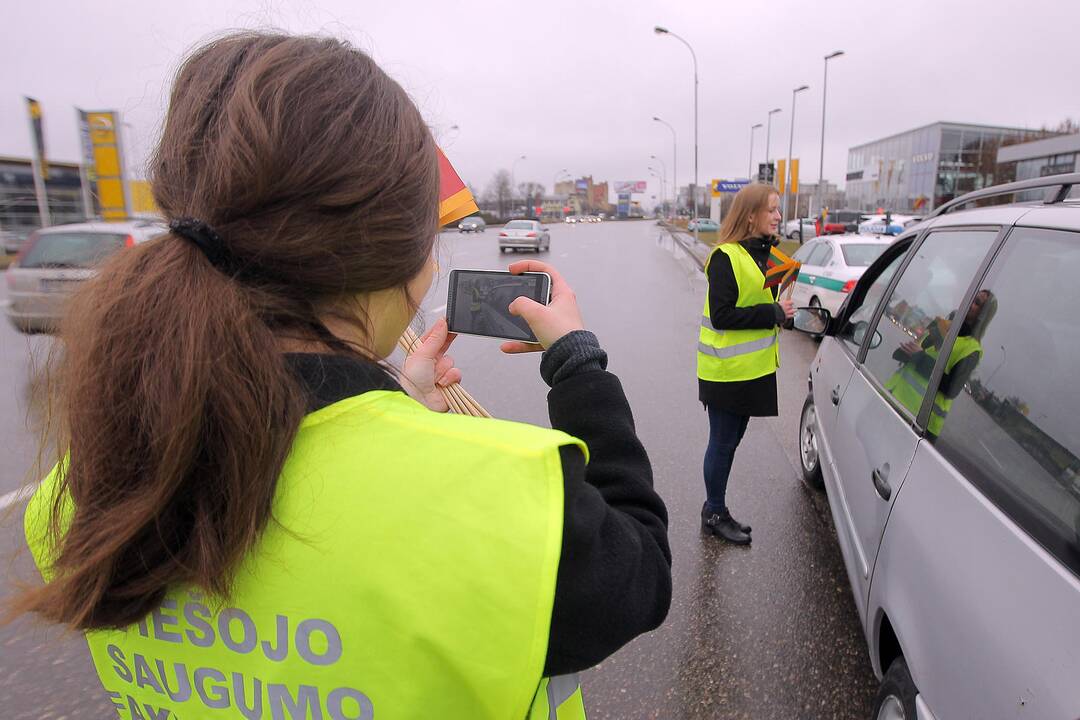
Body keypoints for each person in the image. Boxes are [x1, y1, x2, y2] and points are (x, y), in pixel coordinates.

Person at [7, 33, 671, 719]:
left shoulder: (82, 494)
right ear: (401, 261)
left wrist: (397, 404)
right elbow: (640, 574)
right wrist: (579, 365)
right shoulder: (499, 500)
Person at [697, 183, 794, 545]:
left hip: (753, 369)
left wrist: (782, 310)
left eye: (778, 209)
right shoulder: (726, 256)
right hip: (725, 371)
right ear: (750, 214)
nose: (778, 216)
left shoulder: (766, 255)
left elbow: (764, 302)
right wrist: (772, 312)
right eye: (772, 209)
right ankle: (714, 512)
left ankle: (717, 507)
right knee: (722, 443)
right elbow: (722, 316)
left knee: (731, 441)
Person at [886, 289, 997, 436]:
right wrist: (910, 351)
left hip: (918, 422)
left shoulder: (972, 349)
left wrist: (919, 358)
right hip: (893, 395)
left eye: (977, 303)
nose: (971, 302)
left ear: (982, 316)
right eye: (972, 297)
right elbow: (920, 347)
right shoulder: (944, 324)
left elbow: (951, 388)